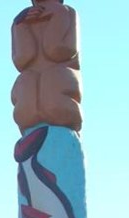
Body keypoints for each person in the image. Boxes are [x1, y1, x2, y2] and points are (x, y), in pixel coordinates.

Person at [11, 0, 82, 132]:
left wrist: (58, 15)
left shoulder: (66, 12)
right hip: (30, 97)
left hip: (57, 78)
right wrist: (21, 25)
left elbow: (58, 50)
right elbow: (22, 59)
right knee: (26, 83)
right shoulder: (21, 20)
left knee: (52, 86)